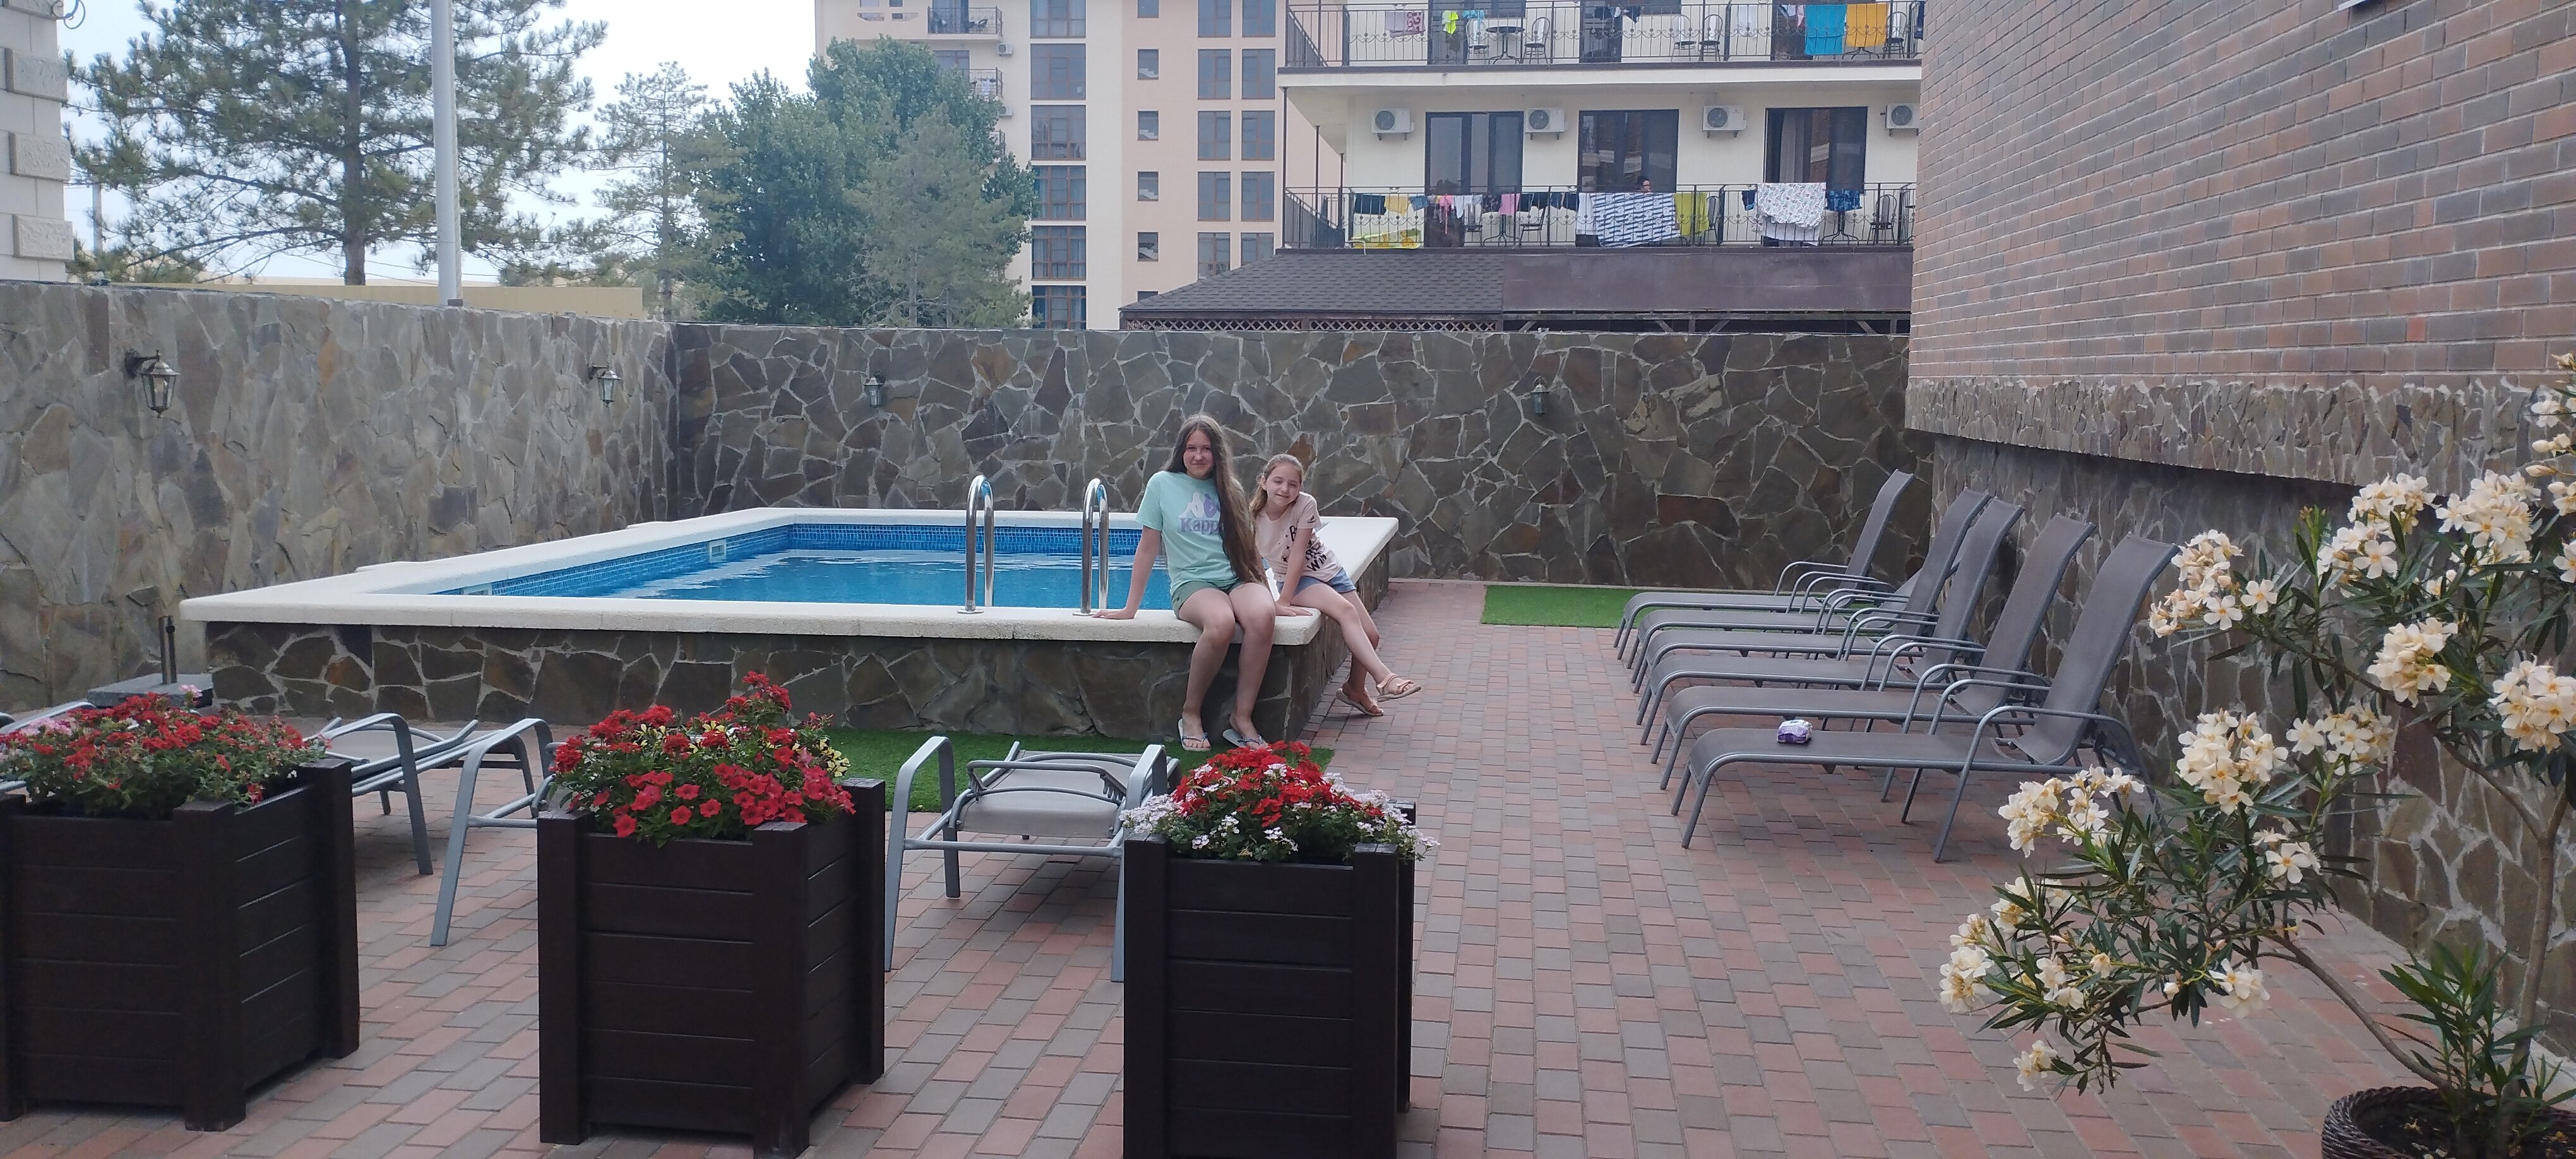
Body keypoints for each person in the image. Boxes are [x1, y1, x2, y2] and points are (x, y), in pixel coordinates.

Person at [1092, 415, 1289, 752]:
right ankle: (1191, 713)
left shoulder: (1229, 487)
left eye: (1206, 449)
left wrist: (1272, 598)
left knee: (1262, 616)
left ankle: (1242, 718)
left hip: (1236, 578)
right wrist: (1130, 608)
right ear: (1181, 451)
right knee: (1221, 623)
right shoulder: (1162, 484)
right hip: (1192, 582)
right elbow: (1148, 547)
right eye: (1191, 448)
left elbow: (1248, 547)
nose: (1199, 456)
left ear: (1217, 453)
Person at [1249, 453, 1422, 716]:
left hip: (1330, 571)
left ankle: (1355, 690)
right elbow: (1254, 563)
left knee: (1371, 635)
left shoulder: (1305, 504)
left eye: (1293, 484)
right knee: (1346, 611)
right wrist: (1280, 600)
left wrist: (1282, 601)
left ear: (1300, 487)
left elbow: (1300, 552)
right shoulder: (1252, 518)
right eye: (1278, 481)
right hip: (1298, 581)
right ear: (1263, 482)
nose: (1285, 489)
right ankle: (1386, 679)